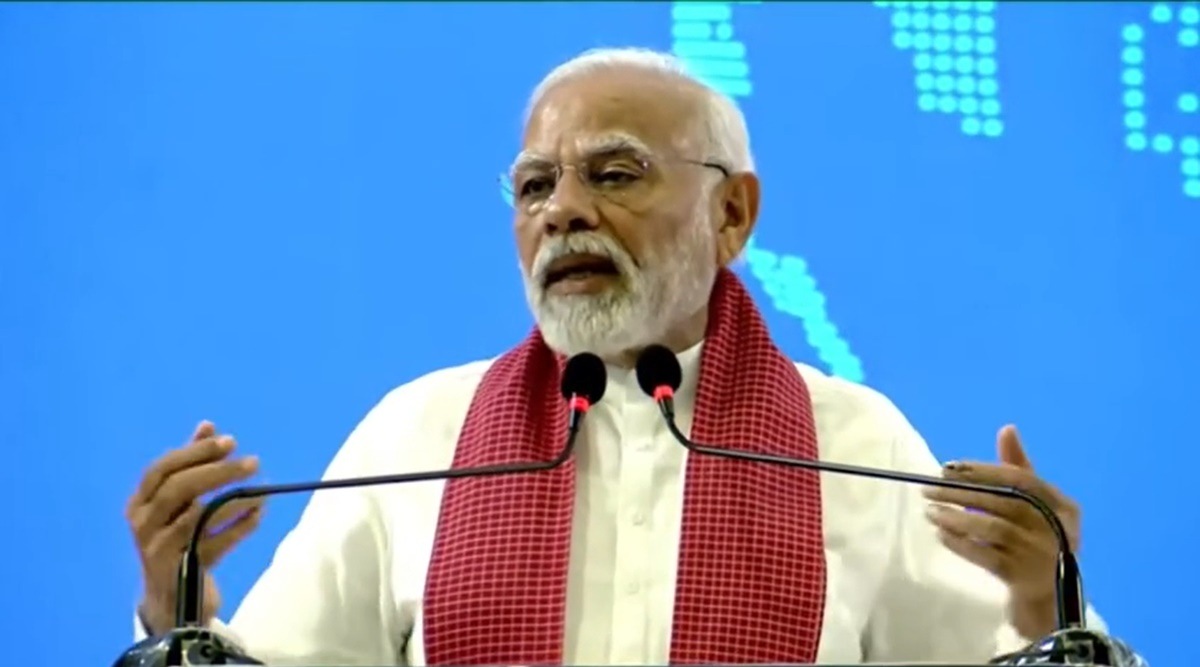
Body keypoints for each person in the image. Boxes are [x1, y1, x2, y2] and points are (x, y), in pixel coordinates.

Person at [125, 47, 1104, 665]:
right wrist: (175, 614)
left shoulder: (853, 444)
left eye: (615, 173)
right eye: (534, 186)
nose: (564, 211)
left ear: (732, 213)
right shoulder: (417, 435)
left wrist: (1044, 606)